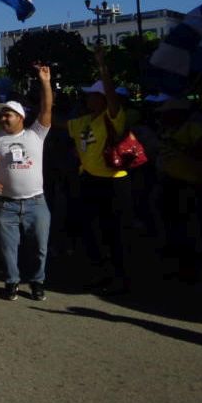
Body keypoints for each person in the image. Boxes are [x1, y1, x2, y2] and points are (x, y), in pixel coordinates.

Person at [66, 45, 131, 294]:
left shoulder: (112, 116)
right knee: (90, 231)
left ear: (103, 99)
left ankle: (119, 277)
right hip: (89, 180)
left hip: (112, 183)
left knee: (112, 232)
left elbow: (113, 98)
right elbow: (59, 125)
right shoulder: (84, 120)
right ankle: (101, 273)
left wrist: (102, 66)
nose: (87, 98)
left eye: (93, 95)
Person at [0, 65, 53, 302]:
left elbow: (46, 109)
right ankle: (12, 282)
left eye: (8, 115)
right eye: (2, 115)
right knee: (8, 249)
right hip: (6, 205)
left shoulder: (36, 134)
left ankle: (37, 282)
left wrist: (45, 82)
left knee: (40, 248)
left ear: (21, 118)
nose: (3, 118)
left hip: (36, 203)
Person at [155, 97, 202, 280]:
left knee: (188, 225)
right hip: (170, 181)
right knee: (173, 222)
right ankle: (177, 256)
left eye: (167, 113)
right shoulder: (168, 129)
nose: (163, 116)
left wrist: (180, 146)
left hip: (189, 184)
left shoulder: (193, 128)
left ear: (178, 114)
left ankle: (192, 265)